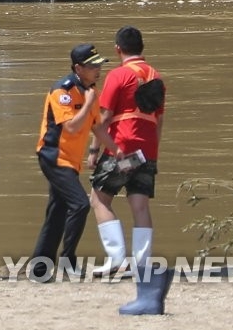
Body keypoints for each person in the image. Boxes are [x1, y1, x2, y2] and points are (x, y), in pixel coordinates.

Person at [30, 44, 122, 280]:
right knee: (80, 204)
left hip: (70, 160)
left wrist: (116, 150)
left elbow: (96, 127)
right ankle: (67, 260)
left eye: (100, 65)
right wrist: (89, 103)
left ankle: (40, 269)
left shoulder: (89, 89)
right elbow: (71, 126)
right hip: (53, 156)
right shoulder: (62, 91)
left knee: (57, 212)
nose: (98, 70)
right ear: (78, 68)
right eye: (93, 66)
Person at [88, 26, 166, 275]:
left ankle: (116, 259)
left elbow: (105, 116)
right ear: (142, 47)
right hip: (148, 150)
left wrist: (93, 149)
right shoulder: (157, 77)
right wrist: (153, 153)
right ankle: (142, 264)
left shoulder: (118, 75)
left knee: (99, 199)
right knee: (140, 205)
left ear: (118, 49)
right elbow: (159, 120)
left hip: (123, 150)